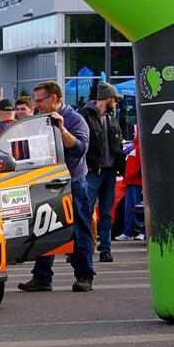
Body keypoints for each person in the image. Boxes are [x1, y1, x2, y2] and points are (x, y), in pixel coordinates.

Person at [18, 81, 93, 292]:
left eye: (40, 101)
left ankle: (85, 275)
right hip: (46, 183)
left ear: (54, 99)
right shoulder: (39, 120)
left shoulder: (75, 120)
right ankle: (42, 276)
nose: (37, 105)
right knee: (44, 229)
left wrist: (62, 129)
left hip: (72, 183)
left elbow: (80, 149)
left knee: (79, 229)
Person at [78, 82, 126, 263]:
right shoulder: (85, 116)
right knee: (85, 210)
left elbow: (117, 145)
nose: (116, 103)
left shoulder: (111, 118)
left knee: (105, 212)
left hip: (109, 171)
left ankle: (105, 248)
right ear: (107, 98)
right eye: (114, 99)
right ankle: (81, 248)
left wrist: (120, 165)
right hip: (92, 171)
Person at [114, 133, 144, 241]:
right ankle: (129, 232)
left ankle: (141, 232)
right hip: (131, 182)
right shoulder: (136, 148)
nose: (133, 134)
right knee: (130, 209)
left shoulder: (140, 148)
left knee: (137, 208)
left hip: (136, 182)